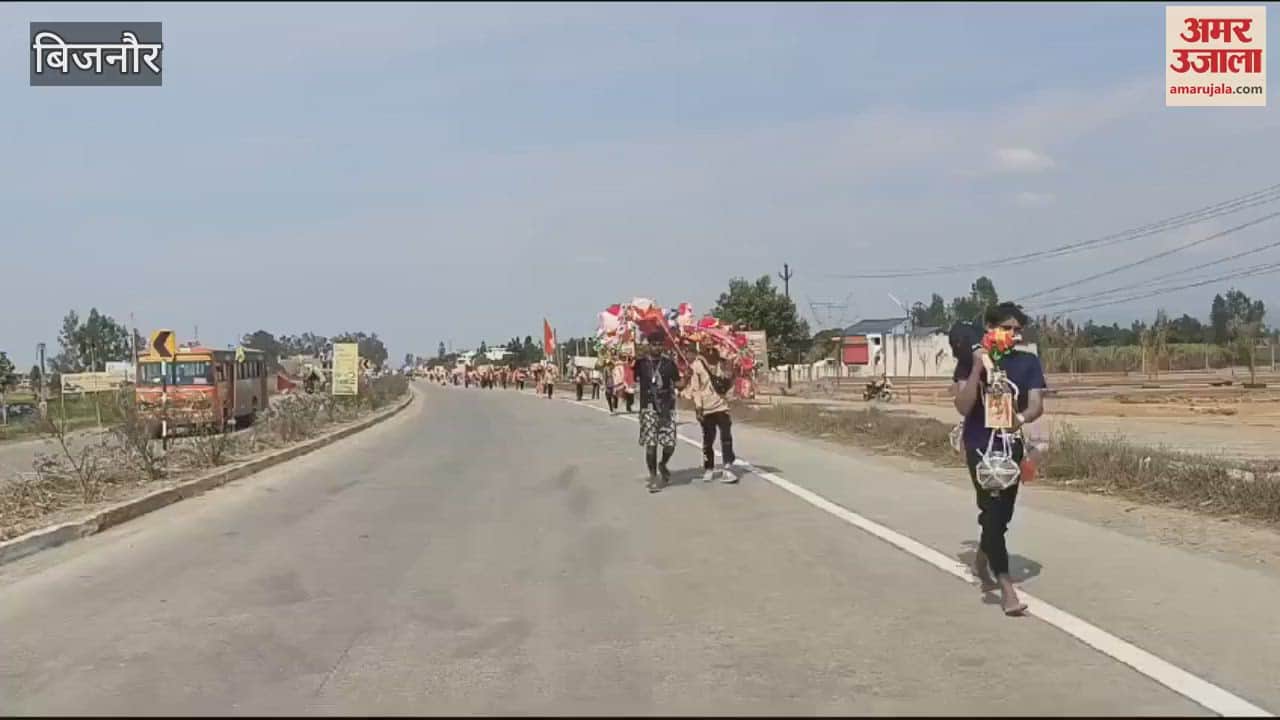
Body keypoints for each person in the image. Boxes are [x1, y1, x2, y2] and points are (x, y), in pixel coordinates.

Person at [952, 302, 1046, 617]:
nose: (1014, 335)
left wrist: (1018, 418)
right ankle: (1005, 585)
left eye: (1018, 330)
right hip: (979, 443)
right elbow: (963, 407)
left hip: (1010, 443)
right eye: (1007, 328)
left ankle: (984, 552)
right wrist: (979, 366)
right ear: (990, 329)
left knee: (1002, 514)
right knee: (991, 507)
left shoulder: (1028, 362)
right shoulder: (971, 361)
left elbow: (1036, 405)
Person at [634, 333, 682, 492]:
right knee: (651, 444)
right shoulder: (641, 364)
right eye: (654, 344)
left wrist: (688, 377)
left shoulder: (669, 364)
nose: (657, 347)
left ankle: (663, 464)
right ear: (649, 345)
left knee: (669, 444)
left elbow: (678, 383)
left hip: (667, 408)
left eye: (659, 344)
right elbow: (632, 375)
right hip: (648, 407)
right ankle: (653, 476)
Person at [690, 344, 738, 483]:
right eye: (708, 347)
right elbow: (696, 389)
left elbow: (729, 382)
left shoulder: (723, 362)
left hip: (722, 406)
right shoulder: (697, 365)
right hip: (706, 407)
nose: (711, 350)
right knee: (708, 440)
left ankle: (728, 467)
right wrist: (698, 408)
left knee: (726, 436)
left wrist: (729, 367)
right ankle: (709, 468)